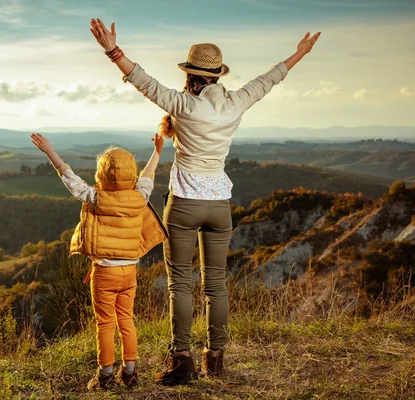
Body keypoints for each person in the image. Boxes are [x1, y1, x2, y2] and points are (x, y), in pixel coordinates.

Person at [90, 17, 321, 385]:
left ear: (191, 74)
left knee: (179, 283)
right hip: (219, 205)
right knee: (216, 283)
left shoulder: (184, 105)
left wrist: (112, 51)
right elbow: (268, 80)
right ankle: (215, 356)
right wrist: (296, 56)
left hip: (183, 203)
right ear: (217, 75)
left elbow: (143, 81)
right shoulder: (236, 104)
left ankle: (181, 359)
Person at [31, 132, 168, 390]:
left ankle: (105, 374)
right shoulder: (140, 197)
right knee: (126, 319)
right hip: (130, 273)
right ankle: (129, 371)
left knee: (105, 323)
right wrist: (157, 151)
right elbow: (148, 176)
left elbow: (70, 179)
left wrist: (49, 151)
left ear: (101, 173)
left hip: (104, 274)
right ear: (132, 173)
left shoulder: (96, 198)